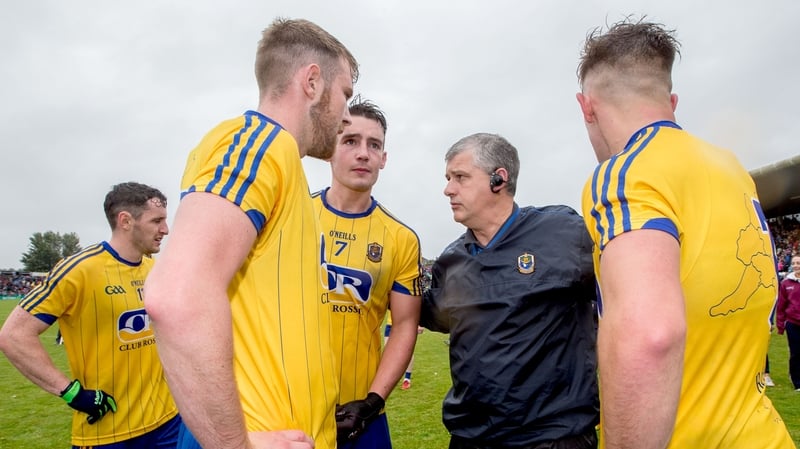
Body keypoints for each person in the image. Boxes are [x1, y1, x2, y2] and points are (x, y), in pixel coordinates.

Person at [575, 17, 793, 448]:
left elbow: (649, 335)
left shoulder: (625, 173)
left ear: (587, 107)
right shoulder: (731, 169)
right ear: (671, 100)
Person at [143, 18, 359, 449]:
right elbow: (176, 296)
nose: (347, 115)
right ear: (312, 82)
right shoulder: (258, 143)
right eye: (346, 95)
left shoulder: (284, 165)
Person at [421, 132, 599, 449]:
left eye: (460, 177)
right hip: (472, 439)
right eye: (448, 178)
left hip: (552, 438)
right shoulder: (451, 260)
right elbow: (433, 317)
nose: (448, 189)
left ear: (498, 179)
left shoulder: (563, 234)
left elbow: (622, 297)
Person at [0, 182, 179, 448]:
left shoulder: (155, 268)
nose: (165, 229)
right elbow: (14, 335)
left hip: (168, 422)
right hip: (108, 430)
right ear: (126, 221)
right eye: (157, 221)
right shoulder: (79, 269)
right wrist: (71, 392)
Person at [312, 97, 422, 448]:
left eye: (373, 145)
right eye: (350, 141)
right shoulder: (291, 217)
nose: (363, 153)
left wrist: (372, 402)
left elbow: (404, 324)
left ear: (383, 158)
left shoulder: (401, 239)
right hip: (290, 410)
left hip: (362, 416)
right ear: (330, 149)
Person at [776, 255, 800, 390]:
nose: (796, 265)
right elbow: (781, 305)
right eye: (794, 263)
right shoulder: (786, 283)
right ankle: (797, 381)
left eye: (799, 263)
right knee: (796, 353)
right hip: (793, 323)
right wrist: (780, 325)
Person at [383, 317, 424, 390]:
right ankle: (390, 379)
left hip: (405, 326)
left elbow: (417, 307)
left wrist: (419, 324)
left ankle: (407, 379)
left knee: (407, 352)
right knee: (387, 354)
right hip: (390, 325)